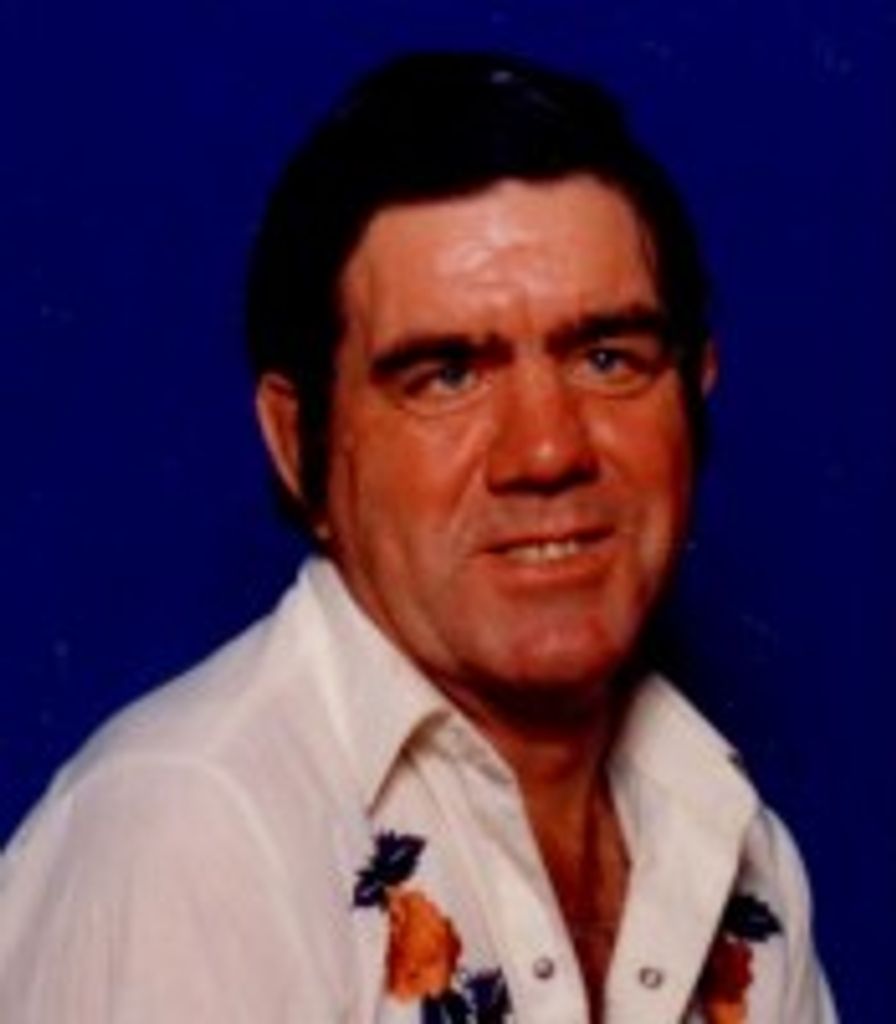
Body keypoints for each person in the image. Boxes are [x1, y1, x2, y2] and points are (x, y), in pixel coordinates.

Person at [0, 51, 836, 1023]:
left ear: (694, 393)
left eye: (608, 358)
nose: (547, 450)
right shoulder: (194, 839)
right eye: (446, 376)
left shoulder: (731, 841)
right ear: (298, 444)